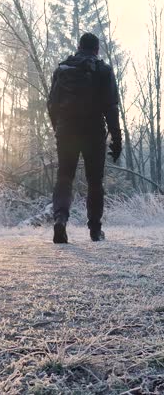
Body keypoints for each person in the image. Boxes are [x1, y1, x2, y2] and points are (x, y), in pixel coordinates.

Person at [47, 32, 122, 243]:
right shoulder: (103, 71)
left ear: (78, 47)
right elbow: (111, 107)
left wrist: (58, 128)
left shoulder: (62, 70)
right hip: (93, 132)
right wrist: (117, 139)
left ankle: (60, 220)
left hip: (67, 131)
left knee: (64, 177)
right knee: (95, 181)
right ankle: (95, 230)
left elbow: (52, 104)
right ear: (97, 49)